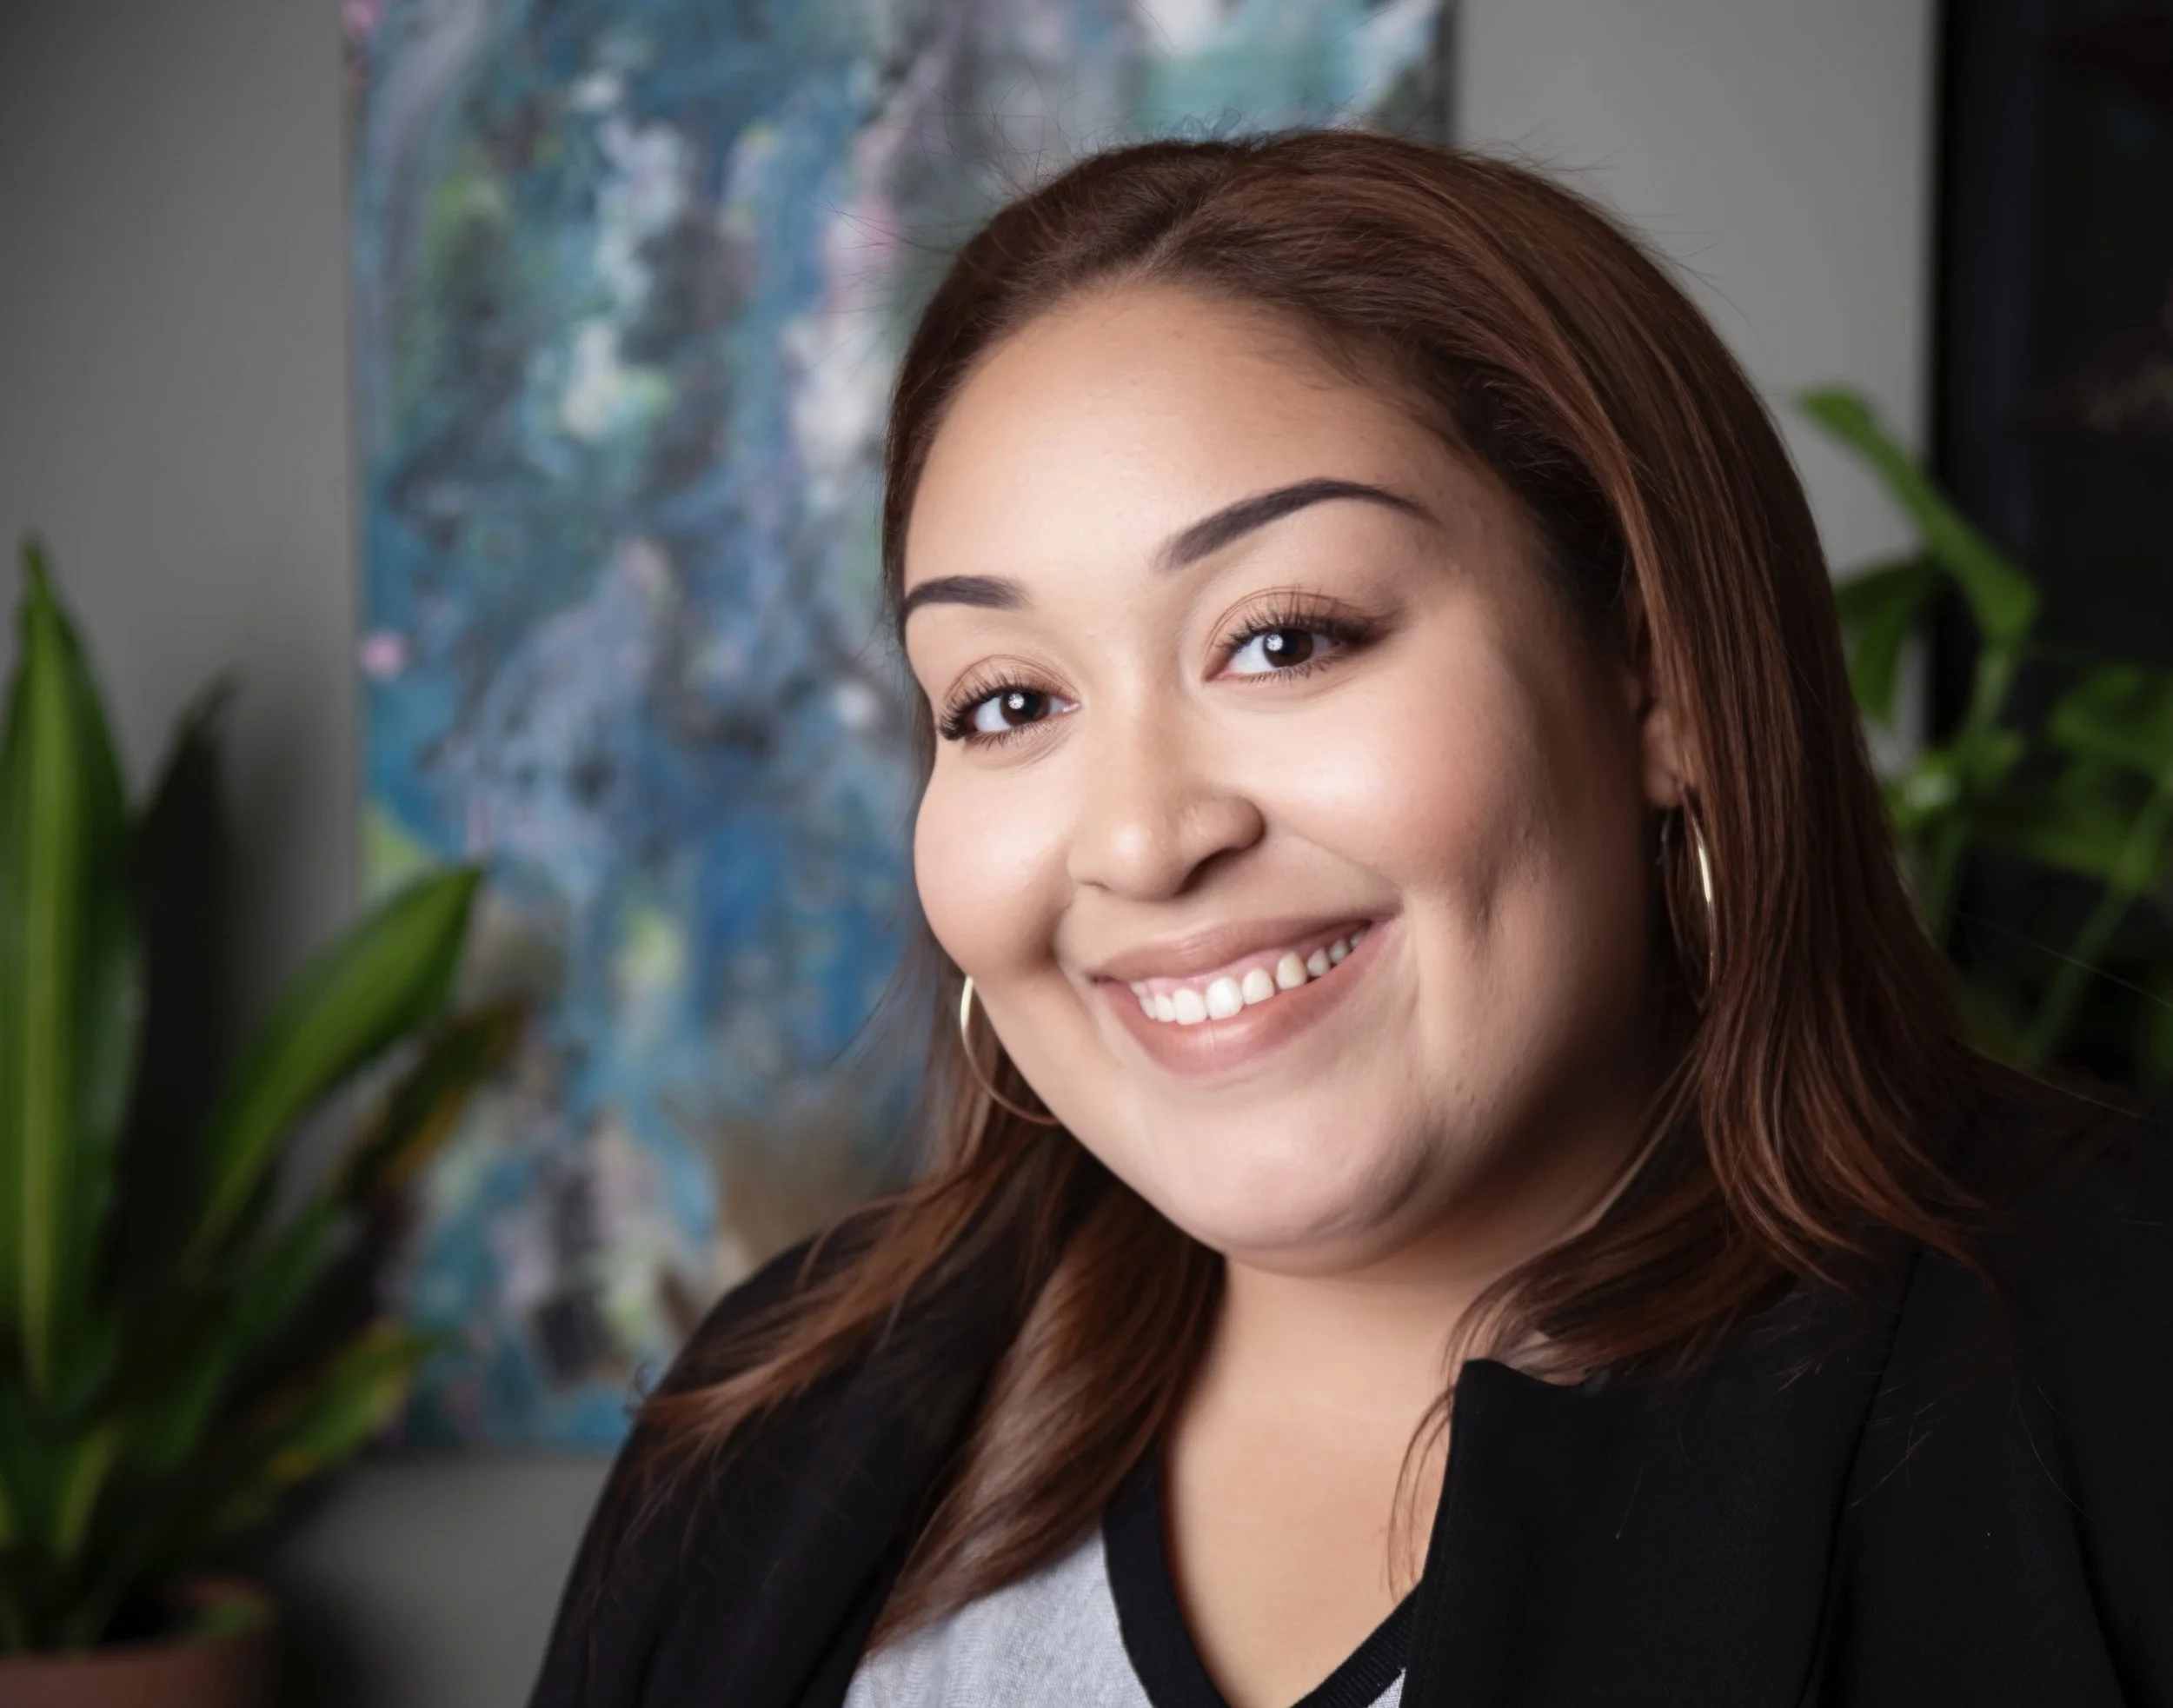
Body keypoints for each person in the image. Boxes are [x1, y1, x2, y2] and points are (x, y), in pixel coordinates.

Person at [527, 130, 2173, 1708]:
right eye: (1009, 699)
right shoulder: (779, 1425)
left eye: (1285, 640)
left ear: (1657, 676)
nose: (1140, 839)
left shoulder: (2110, 1377)